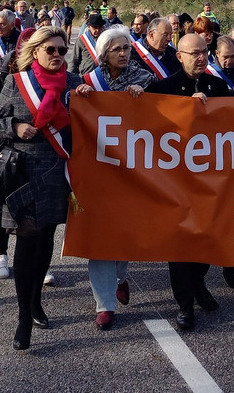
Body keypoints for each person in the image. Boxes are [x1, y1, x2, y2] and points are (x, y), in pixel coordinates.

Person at [0, 26, 86, 351]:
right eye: (51, 50)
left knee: (45, 240)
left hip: (57, 174)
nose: (57, 55)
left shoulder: (73, 85)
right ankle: (22, 319)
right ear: (36, 52)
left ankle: (36, 301)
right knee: (27, 242)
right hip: (24, 174)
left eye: (61, 50)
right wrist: (15, 126)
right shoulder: (16, 83)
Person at [74, 26, 159, 329]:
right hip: (97, 171)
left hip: (133, 169)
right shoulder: (88, 82)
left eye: (127, 48)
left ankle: (120, 277)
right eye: (117, 49)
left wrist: (144, 100)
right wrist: (80, 96)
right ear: (103, 53)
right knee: (99, 236)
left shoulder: (145, 80)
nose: (123, 53)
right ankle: (104, 304)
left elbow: (163, 120)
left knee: (124, 233)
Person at [155, 33, 234, 331]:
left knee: (208, 239)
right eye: (194, 53)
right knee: (180, 247)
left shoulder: (219, 87)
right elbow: (145, 127)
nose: (201, 57)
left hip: (212, 181)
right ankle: (185, 304)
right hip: (175, 184)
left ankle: (199, 284)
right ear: (180, 56)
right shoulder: (164, 88)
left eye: (204, 52)